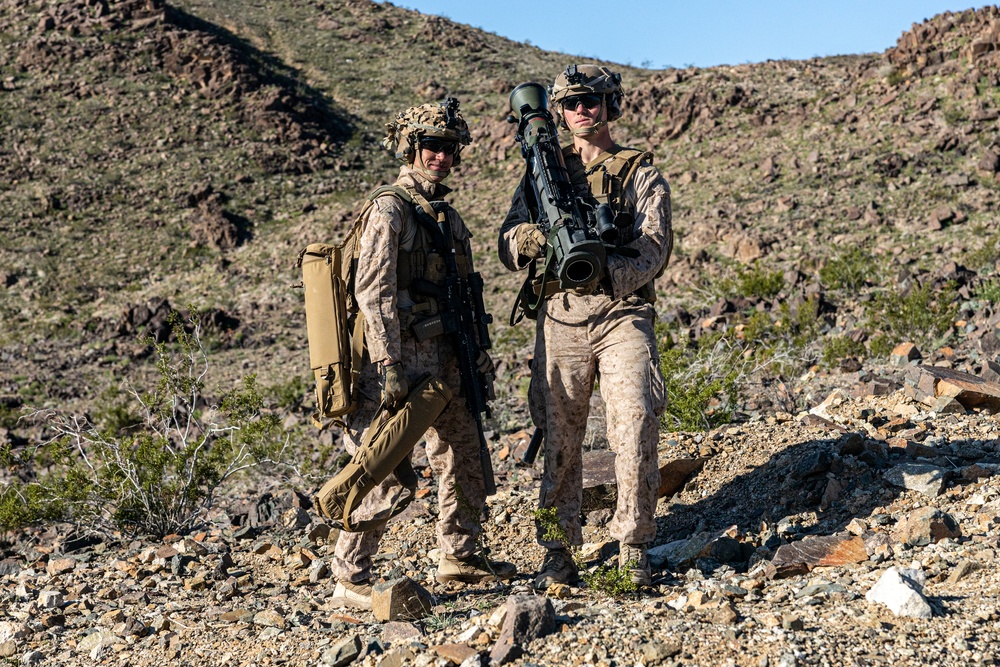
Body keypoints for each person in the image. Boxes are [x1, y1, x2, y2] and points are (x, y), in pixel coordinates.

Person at [330, 99, 515, 610]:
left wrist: (477, 353)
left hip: (446, 357)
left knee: (463, 454)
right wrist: (388, 364)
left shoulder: (446, 215)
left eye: (449, 148)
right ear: (410, 148)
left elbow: (464, 293)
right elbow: (373, 291)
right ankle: (349, 577)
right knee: (383, 467)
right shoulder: (390, 208)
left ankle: (460, 555)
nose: (441, 156)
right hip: (397, 363)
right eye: (431, 146)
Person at [498, 64, 673, 588]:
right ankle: (557, 548)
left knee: (635, 418)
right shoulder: (541, 172)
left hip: (621, 312)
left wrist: (608, 273)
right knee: (560, 435)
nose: (581, 111)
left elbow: (654, 247)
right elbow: (506, 245)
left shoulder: (639, 171)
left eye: (591, 101)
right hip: (561, 316)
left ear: (609, 105)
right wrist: (527, 240)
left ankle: (633, 542)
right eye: (571, 104)